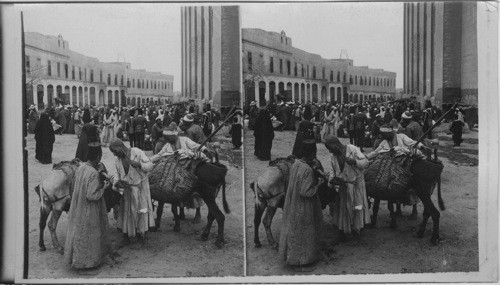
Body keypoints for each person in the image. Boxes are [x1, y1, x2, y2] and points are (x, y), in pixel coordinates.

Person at [65, 142, 110, 274]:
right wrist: (104, 188)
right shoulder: (93, 173)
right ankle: (86, 265)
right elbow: (92, 195)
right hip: (89, 210)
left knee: (79, 233)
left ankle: (77, 260)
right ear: (98, 157)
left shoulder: (81, 167)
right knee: (89, 235)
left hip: (78, 206)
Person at [278, 140, 324, 271]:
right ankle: (302, 262)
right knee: (304, 233)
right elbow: (305, 192)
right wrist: (318, 185)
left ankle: (292, 258)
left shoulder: (296, 164)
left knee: (294, 231)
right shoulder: (307, 170)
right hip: (303, 206)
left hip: (293, 202)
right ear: (311, 153)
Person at [110, 138, 155, 249]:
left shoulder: (137, 152)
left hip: (140, 188)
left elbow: (150, 166)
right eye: (113, 153)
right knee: (126, 213)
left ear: (121, 147)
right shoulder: (118, 160)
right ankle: (126, 237)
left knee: (141, 212)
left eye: (115, 151)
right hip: (127, 189)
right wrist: (116, 183)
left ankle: (141, 237)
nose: (115, 155)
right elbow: (117, 173)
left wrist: (139, 164)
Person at [325, 135, 370, 238]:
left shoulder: (352, 149)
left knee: (357, 207)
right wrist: (331, 181)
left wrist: (354, 162)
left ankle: (358, 229)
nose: (330, 152)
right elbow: (333, 170)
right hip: (344, 186)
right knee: (344, 208)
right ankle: (345, 229)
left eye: (330, 149)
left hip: (356, 185)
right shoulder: (333, 156)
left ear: (336, 145)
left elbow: (365, 163)